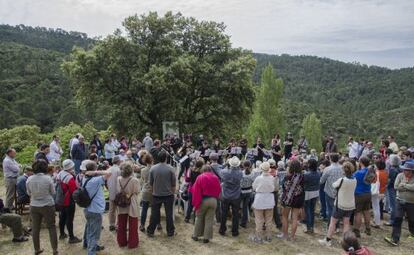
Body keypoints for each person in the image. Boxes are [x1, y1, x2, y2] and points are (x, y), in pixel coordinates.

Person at [319, 162, 357, 246]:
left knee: (333, 222)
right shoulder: (354, 179)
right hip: (350, 205)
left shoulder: (342, 180)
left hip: (340, 205)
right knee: (346, 223)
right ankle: (345, 241)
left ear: (343, 170)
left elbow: (333, 185)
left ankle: (328, 239)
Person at [26, 159, 58, 255]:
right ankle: (54, 249)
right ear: (45, 167)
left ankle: (37, 249)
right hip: (47, 204)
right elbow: (53, 192)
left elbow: (28, 193)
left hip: (34, 205)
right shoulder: (48, 178)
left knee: (35, 228)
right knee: (51, 227)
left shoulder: (29, 179)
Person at [82, 161, 111, 254]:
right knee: (94, 233)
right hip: (95, 210)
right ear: (94, 170)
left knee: (89, 227)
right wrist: (96, 172)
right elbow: (109, 173)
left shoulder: (84, 178)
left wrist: (92, 172)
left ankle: (87, 243)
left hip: (88, 208)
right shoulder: (96, 180)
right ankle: (91, 252)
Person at [146, 150, 177, 237]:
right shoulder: (171, 169)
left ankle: (150, 231)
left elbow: (150, 183)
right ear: (166, 158)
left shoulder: (153, 168)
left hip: (156, 194)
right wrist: (173, 193)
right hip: (168, 195)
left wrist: (152, 193)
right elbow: (173, 184)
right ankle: (170, 231)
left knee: (154, 214)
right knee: (169, 214)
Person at [384, 161, 414, 246]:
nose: (404, 171)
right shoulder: (400, 175)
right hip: (399, 201)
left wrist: (404, 185)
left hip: (411, 203)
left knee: (412, 220)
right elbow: (396, 186)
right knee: (397, 219)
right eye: (404, 169)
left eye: (407, 170)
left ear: (412, 171)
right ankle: (394, 239)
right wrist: (409, 187)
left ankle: (413, 233)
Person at [191, 165, 222, 243]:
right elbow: (219, 189)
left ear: (203, 170)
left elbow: (196, 190)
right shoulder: (215, 177)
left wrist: (196, 203)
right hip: (214, 200)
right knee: (209, 219)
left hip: (203, 200)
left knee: (199, 217)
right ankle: (206, 238)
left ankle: (195, 235)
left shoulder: (200, 177)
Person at [250, 162, 277, 243]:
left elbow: (254, 187)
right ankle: (268, 236)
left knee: (259, 219)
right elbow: (275, 188)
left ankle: (259, 236)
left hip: (260, 199)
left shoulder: (258, 178)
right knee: (269, 219)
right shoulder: (272, 178)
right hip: (269, 198)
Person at [57, 159, 82, 244]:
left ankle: (62, 234)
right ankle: (71, 237)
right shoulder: (70, 177)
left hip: (60, 199)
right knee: (69, 218)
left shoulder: (60, 173)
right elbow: (73, 190)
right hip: (68, 200)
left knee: (62, 217)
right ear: (71, 166)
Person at [278, 159, 304, 240]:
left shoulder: (287, 176)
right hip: (298, 199)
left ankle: (285, 235)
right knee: (294, 218)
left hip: (287, 199)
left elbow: (284, 187)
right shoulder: (302, 177)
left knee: (284, 217)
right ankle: (292, 237)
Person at [116, 162, 140, 249]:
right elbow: (137, 191)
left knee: (121, 224)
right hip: (132, 202)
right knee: (133, 225)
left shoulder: (118, 179)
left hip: (121, 202)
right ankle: (132, 243)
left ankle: (121, 242)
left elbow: (118, 189)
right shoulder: (134, 180)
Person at [219, 156, 243, 237]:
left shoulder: (225, 172)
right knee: (235, 214)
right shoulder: (240, 173)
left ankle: (222, 230)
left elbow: (220, 171)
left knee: (224, 213)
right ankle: (234, 231)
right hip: (236, 196)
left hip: (226, 195)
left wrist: (225, 163)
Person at [352, 156, 373, 237]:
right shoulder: (370, 171)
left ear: (361, 163)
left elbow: (352, 178)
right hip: (368, 193)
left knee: (358, 213)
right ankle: (368, 229)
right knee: (367, 211)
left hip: (359, 194)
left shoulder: (358, 173)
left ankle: (356, 230)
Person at [320, 154, 343, 224]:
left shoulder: (327, 169)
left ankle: (331, 225)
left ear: (330, 159)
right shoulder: (342, 168)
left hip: (329, 191)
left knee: (330, 209)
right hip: (340, 191)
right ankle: (337, 225)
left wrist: (321, 171)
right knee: (337, 208)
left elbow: (321, 181)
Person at [303, 158, 320, 233]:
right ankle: (311, 227)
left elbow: (303, 183)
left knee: (308, 210)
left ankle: (309, 227)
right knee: (312, 210)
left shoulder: (306, 174)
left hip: (308, 193)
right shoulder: (318, 173)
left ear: (309, 164)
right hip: (316, 192)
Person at [185, 158, 204, 223]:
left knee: (190, 204)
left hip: (191, 189)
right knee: (198, 204)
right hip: (198, 190)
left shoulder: (191, 170)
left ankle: (187, 217)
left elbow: (187, 180)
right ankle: (195, 219)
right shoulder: (201, 173)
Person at [385, 154, 401, 226]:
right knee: (396, 204)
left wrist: (386, 186)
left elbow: (389, 180)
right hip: (397, 188)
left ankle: (392, 220)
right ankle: (397, 219)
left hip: (391, 188)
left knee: (392, 205)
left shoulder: (392, 169)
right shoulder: (400, 168)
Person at [371, 160, 388, 228]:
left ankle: (377, 222)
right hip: (382, 191)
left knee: (376, 208)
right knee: (377, 207)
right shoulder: (385, 173)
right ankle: (376, 220)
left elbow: (373, 182)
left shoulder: (377, 173)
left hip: (376, 192)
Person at [139, 153, 154, 232]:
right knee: (154, 209)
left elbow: (142, 181)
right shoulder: (154, 169)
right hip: (153, 191)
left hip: (145, 191)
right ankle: (156, 224)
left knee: (144, 209)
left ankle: (142, 225)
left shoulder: (143, 170)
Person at [107, 155, 122, 231]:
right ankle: (118, 225)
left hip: (111, 191)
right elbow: (121, 182)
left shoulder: (108, 169)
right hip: (118, 193)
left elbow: (106, 182)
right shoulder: (119, 170)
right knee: (119, 209)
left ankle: (111, 224)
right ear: (118, 161)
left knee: (111, 209)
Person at [240, 160, 254, 228]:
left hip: (241, 192)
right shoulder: (252, 174)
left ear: (243, 165)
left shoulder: (241, 173)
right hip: (249, 192)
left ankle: (239, 220)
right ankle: (243, 222)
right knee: (245, 208)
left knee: (238, 206)